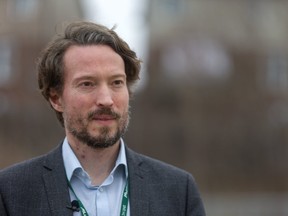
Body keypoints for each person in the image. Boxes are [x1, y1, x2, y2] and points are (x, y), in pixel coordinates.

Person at [0, 21, 205, 216]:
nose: (106, 100)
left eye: (116, 82)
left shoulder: (178, 190)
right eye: (87, 84)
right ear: (56, 98)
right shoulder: (11, 192)